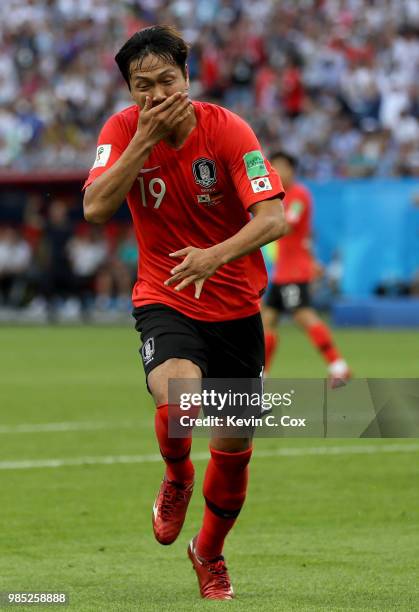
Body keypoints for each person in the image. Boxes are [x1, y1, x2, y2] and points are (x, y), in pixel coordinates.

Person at [83, 25, 286, 600]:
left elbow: (273, 219)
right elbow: (96, 206)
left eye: (166, 80)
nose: (155, 94)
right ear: (129, 91)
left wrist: (214, 257)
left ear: (187, 78)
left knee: (234, 450)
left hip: (235, 304)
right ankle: (176, 476)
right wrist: (142, 143)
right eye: (142, 86)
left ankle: (209, 553)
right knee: (179, 398)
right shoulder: (122, 132)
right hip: (165, 295)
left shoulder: (228, 130)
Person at [262, 151, 351, 387]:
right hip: (284, 271)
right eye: (274, 167)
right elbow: (305, 235)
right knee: (267, 321)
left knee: (303, 316)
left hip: (294, 271)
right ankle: (261, 378)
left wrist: (258, 226)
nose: (277, 172)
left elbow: (289, 224)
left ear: (292, 170)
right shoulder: (278, 197)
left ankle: (339, 366)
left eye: (281, 167)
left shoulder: (299, 195)